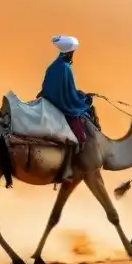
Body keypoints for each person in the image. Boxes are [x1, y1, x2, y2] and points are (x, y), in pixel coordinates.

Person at [39, 35, 94, 183]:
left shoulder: (54, 66)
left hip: (49, 104)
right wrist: (83, 100)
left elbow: (60, 90)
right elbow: (68, 95)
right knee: (79, 138)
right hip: (60, 107)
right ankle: (66, 170)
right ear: (70, 52)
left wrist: (78, 94)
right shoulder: (65, 68)